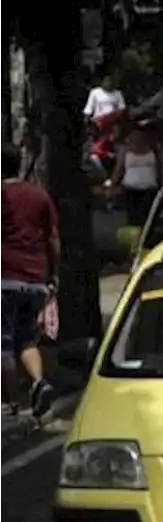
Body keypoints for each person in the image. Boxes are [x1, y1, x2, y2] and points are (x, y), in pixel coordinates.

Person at [0, 143, 59, 417]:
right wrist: (52, 273)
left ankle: (11, 402)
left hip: (5, 277)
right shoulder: (39, 195)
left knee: (3, 343)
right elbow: (53, 238)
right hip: (36, 277)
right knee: (26, 341)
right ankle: (38, 382)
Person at [110, 124, 163, 226]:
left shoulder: (156, 149)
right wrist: (111, 184)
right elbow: (119, 169)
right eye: (134, 135)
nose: (137, 137)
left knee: (147, 217)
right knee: (133, 217)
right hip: (130, 189)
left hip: (150, 189)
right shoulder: (124, 150)